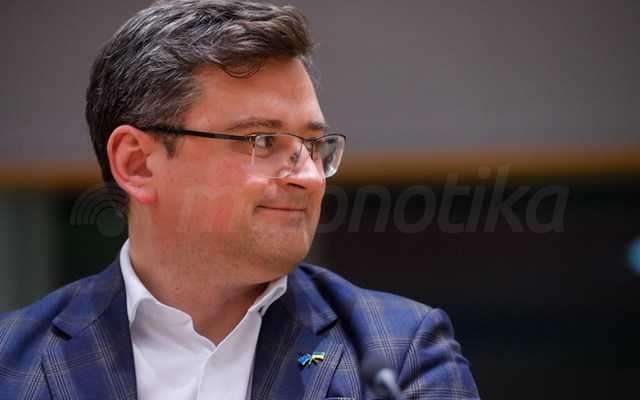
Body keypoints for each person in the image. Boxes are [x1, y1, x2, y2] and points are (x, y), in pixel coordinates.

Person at [0, 1, 479, 399]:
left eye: (313, 145)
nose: (310, 177)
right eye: (263, 141)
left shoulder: (399, 355)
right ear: (138, 164)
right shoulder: (11, 364)